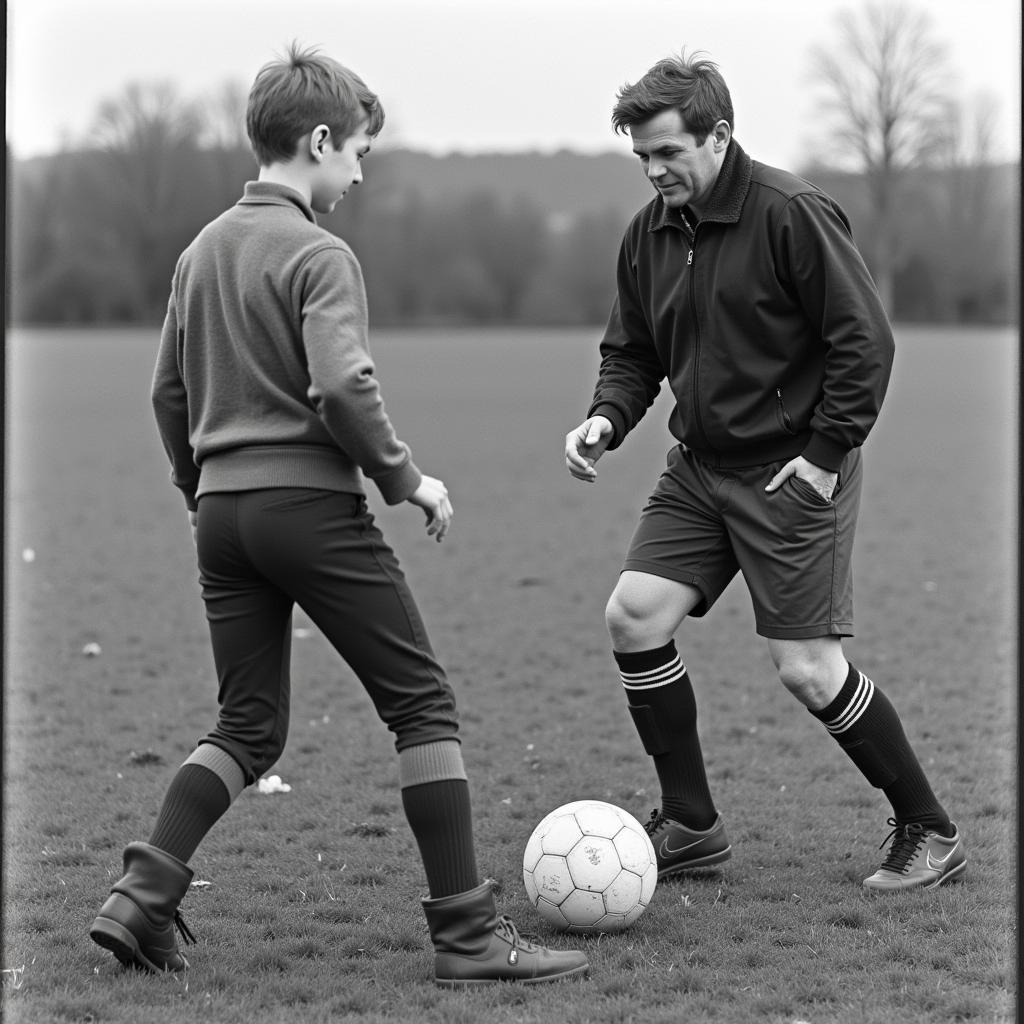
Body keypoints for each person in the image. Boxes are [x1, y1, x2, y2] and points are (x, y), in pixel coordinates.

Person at [89, 42, 588, 986]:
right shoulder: (320, 253)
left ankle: (139, 900)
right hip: (310, 509)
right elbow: (341, 385)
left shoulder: (200, 252)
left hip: (222, 517)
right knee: (422, 706)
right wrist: (409, 482)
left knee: (247, 726)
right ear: (319, 141)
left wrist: (203, 490)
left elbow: (166, 393)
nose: (359, 174)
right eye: (358, 152)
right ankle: (468, 935)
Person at [563, 52, 964, 893]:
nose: (654, 170)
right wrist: (606, 416)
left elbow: (866, 341)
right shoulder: (650, 233)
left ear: (719, 135)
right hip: (701, 469)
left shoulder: (790, 213)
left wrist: (825, 457)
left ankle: (928, 827)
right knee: (634, 616)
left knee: (808, 670)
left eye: (668, 152)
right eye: (641, 156)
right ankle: (692, 826)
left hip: (793, 471)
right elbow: (632, 350)